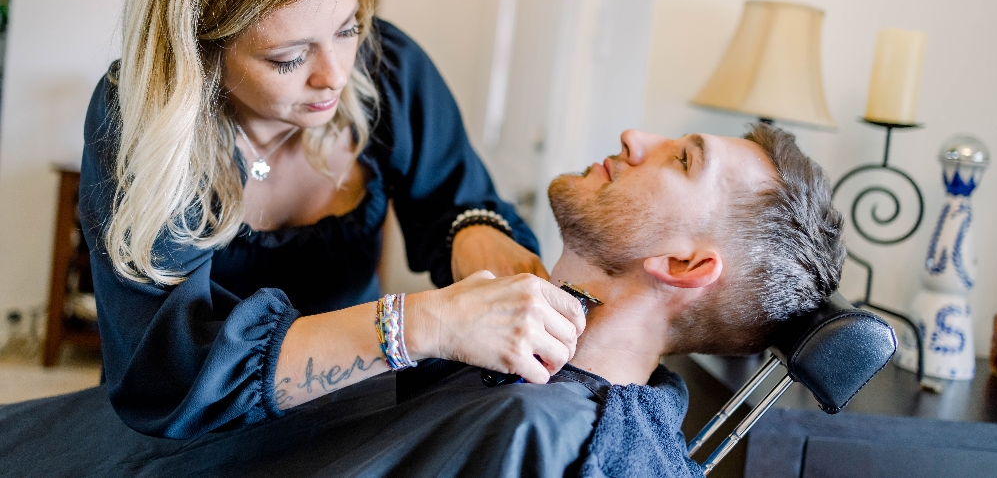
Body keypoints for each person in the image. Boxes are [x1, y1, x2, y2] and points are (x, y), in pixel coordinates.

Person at [8, 123, 845, 476]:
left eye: (682, 158)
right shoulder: (489, 349)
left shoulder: (539, 433)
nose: (636, 136)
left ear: (689, 262)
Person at [79, 0, 586, 439]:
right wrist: (422, 323)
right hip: (191, 439)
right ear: (200, 54)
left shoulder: (388, 67)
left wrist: (477, 238)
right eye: (289, 58)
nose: (335, 76)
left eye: (347, 29)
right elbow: (169, 372)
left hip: (352, 418)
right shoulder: (136, 116)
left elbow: (457, 201)